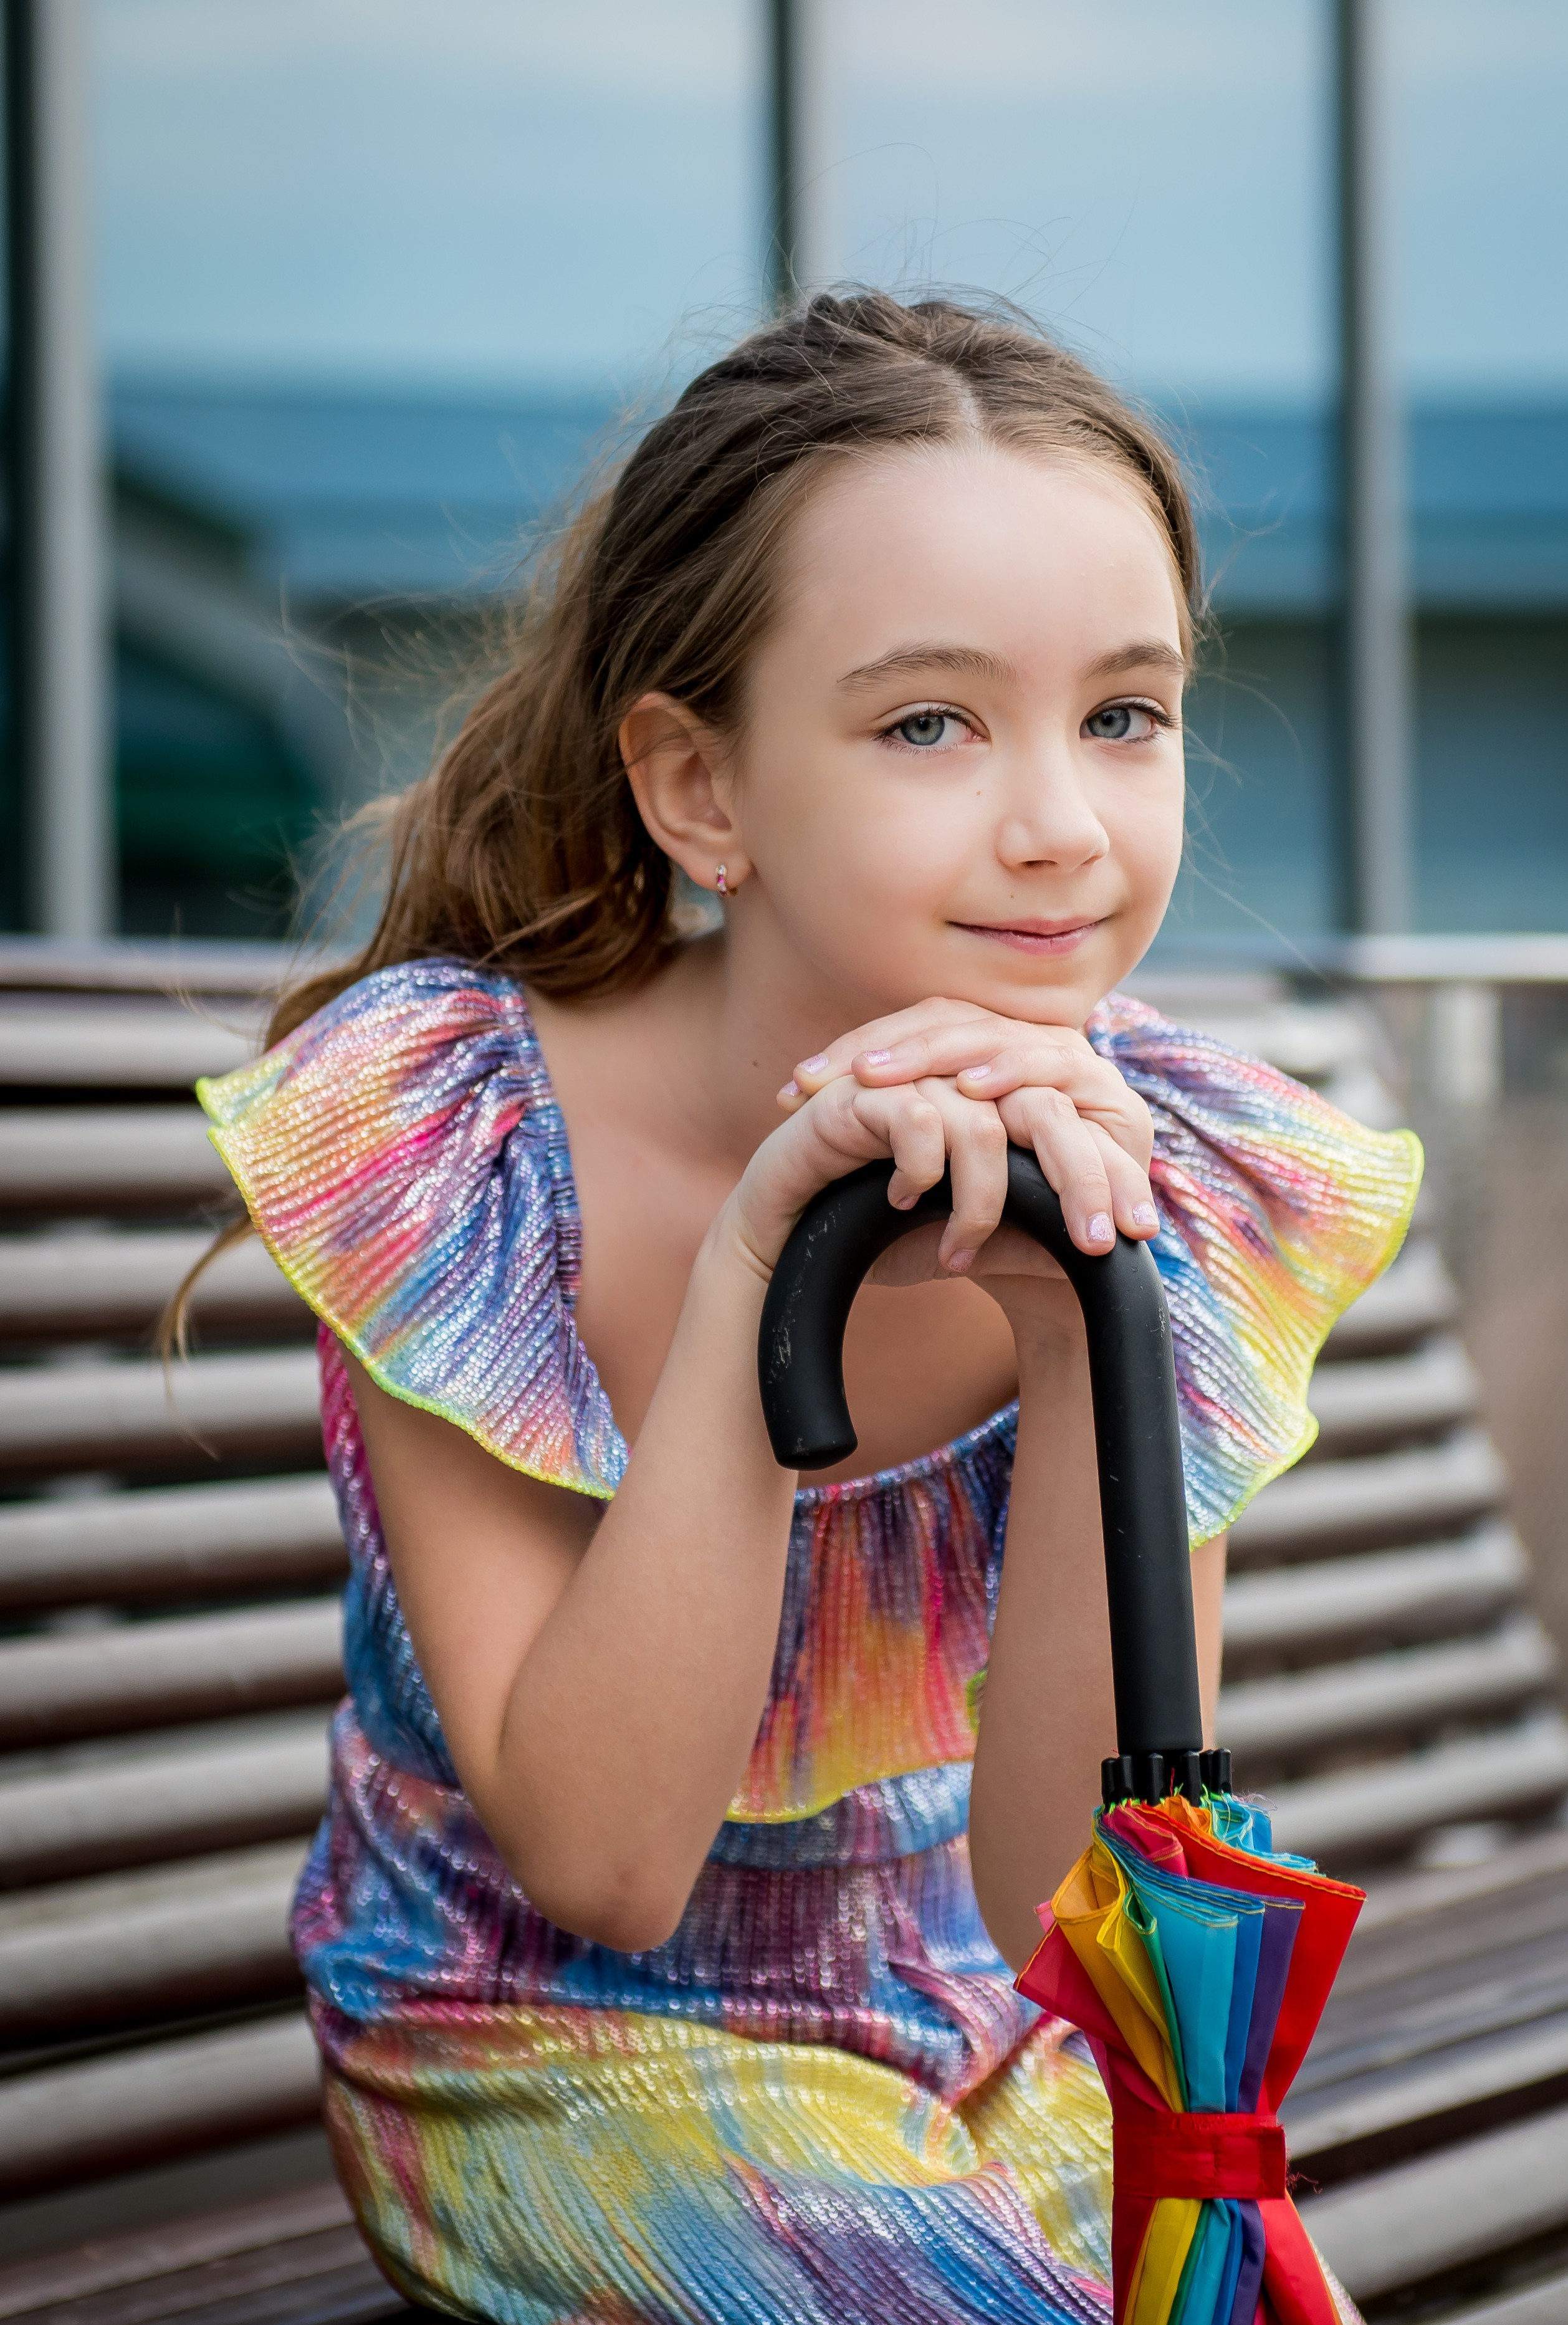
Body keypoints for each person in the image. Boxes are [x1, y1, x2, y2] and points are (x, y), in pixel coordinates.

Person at [196, 294, 1418, 2323]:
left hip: (964, 2030)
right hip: (537, 2046)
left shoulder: (1145, 1170)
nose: (1058, 821)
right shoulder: (468, 1141)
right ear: (700, 790)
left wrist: (1071, 1329)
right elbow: (599, 1861)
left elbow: (1058, 1896)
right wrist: (767, 1261)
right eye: (928, 724)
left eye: (1124, 714)